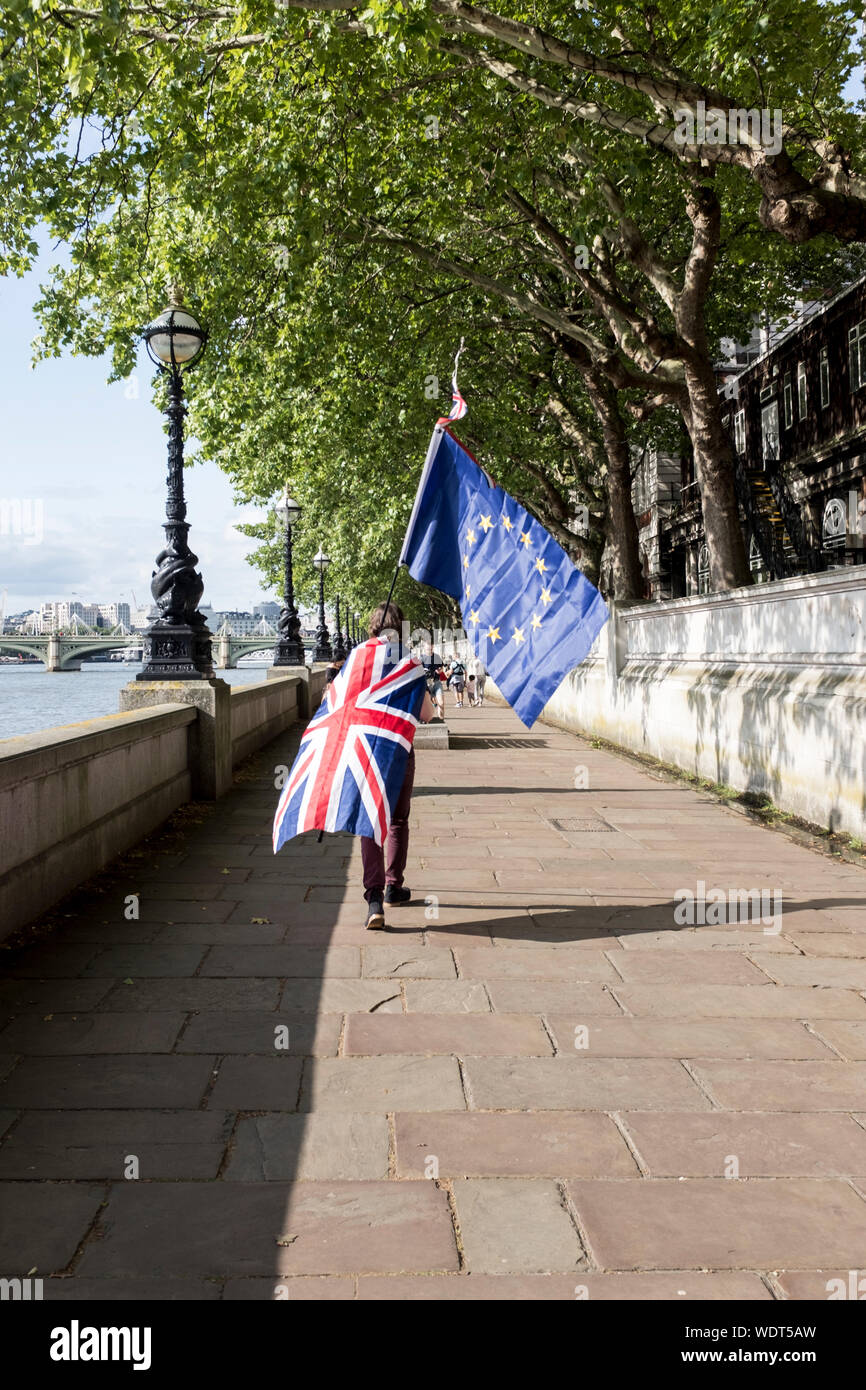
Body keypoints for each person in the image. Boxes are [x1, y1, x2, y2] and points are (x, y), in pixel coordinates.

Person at [360, 601, 434, 930]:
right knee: (397, 820)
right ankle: (393, 885)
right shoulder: (409, 663)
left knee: (370, 822)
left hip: (367, 751)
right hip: (400, 750)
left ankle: (374, 898)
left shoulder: (360, 657)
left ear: (373, 626)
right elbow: (427, 714)